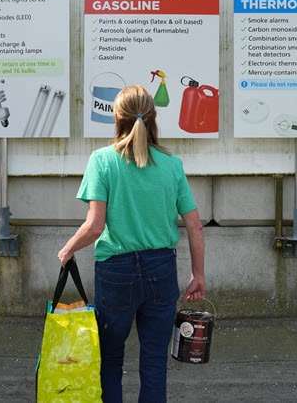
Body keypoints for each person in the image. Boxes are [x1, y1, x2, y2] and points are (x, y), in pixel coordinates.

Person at [57, 85, 206, 403]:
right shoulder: (171, 165)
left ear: (117, 119)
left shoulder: (102, 161)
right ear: (153, 119)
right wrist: (198, 274)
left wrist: (68, 249)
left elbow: (95, 226)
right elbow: (194, 224)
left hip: (116, 272)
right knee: (154, 362)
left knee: (109, 360)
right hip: (161, 269)